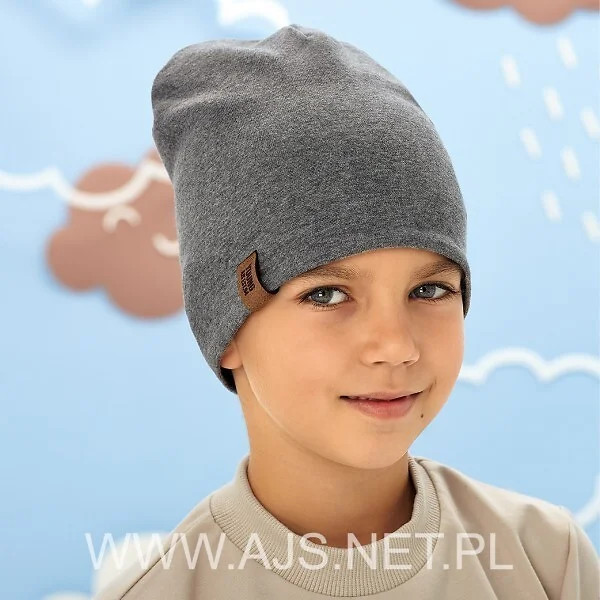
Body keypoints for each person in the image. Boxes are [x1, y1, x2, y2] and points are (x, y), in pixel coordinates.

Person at [95, 23, 599, 599]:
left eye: (429, 290)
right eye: (327, 295)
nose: (396, 346)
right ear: (227, 329)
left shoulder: (547, 560)